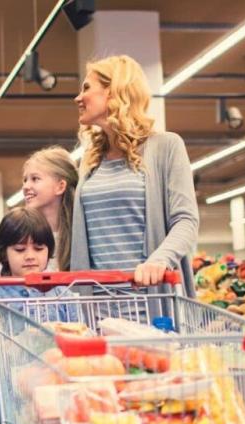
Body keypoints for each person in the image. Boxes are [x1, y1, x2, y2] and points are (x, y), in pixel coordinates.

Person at [71, 55, 199, 296]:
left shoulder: (166, 146)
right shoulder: (90, 161)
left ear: (114, 91)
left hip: (151, 306)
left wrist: (160, 260)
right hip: (96, 309)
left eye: (86, 88)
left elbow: (186, 221)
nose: (78, 98)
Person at [0, 207, 77, 424]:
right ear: (3, 253)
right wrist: (18, 341)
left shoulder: (61, 293)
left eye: (39, 248)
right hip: (10, 410)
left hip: (56, 407)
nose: (30, 256)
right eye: (20, 249)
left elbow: (79, 341)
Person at [22, 145, 79, 271]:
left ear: (60, 186)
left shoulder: (79, 237)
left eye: (35, 179)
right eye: (25, 180)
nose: (26, 186)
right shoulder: (22, 236)